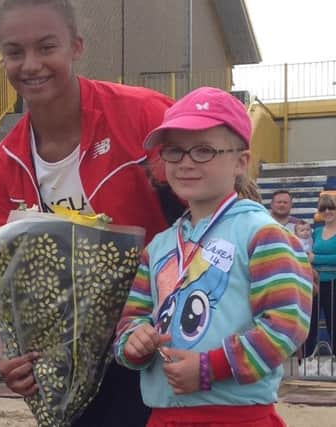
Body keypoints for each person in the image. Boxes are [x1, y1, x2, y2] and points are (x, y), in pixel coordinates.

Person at [0, 1, 183, 425]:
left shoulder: (146, 117)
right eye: (14, 51)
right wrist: (6, 356)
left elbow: (214, 212)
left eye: (46, 47)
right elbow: (3, 278)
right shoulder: (7, 158)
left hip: (156, 348)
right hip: (70, 368)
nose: (31, 64)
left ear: (76, 46)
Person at [114, 87, 313, 426]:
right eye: (175, 151)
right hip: (163, 417)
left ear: (241, 162)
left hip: (238, 417)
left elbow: (286, 324)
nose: (186, 162)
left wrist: (210, 368)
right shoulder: (159, 247)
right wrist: (134, 343)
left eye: (204, 150)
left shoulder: (262, 234)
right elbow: (130, 320)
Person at [305, 193, 336, 357]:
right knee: (311, 324)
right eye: (323, 208)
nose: (328, 211)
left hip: (333, 284)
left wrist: (316, 258)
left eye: (331, 207)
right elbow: (308, 255)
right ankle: (306, 360)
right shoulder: (316, 232)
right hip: (315, 285)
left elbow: (314, 256)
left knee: (334, 324)